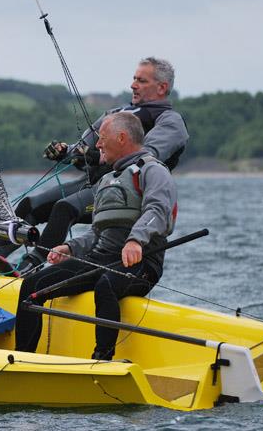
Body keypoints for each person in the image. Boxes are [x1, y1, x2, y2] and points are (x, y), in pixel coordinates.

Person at [0, 56, 188, 274]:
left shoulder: (170, 122)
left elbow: (144, 157)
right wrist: (66, 152)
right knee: (31, 205)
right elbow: (82, 152)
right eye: (134, 78)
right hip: (94, 184)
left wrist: (93, 156)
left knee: (65, 207)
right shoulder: (116, 113)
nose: (133, 85)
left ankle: (31, 265)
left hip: (125, 193)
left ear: (161, 87)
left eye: (141, 81)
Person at [14, 111, 177, 360]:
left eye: (102, 137)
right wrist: (70, 248)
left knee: (106, 285)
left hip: (140, 263)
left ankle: (103, 357)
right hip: (101, 259)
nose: (97, 144)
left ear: (121, 138)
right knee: (32, 286)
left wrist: (135, 240)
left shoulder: (153, 171)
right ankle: (22, 358)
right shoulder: (108, 179)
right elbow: (96, 231)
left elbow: (159, 212)